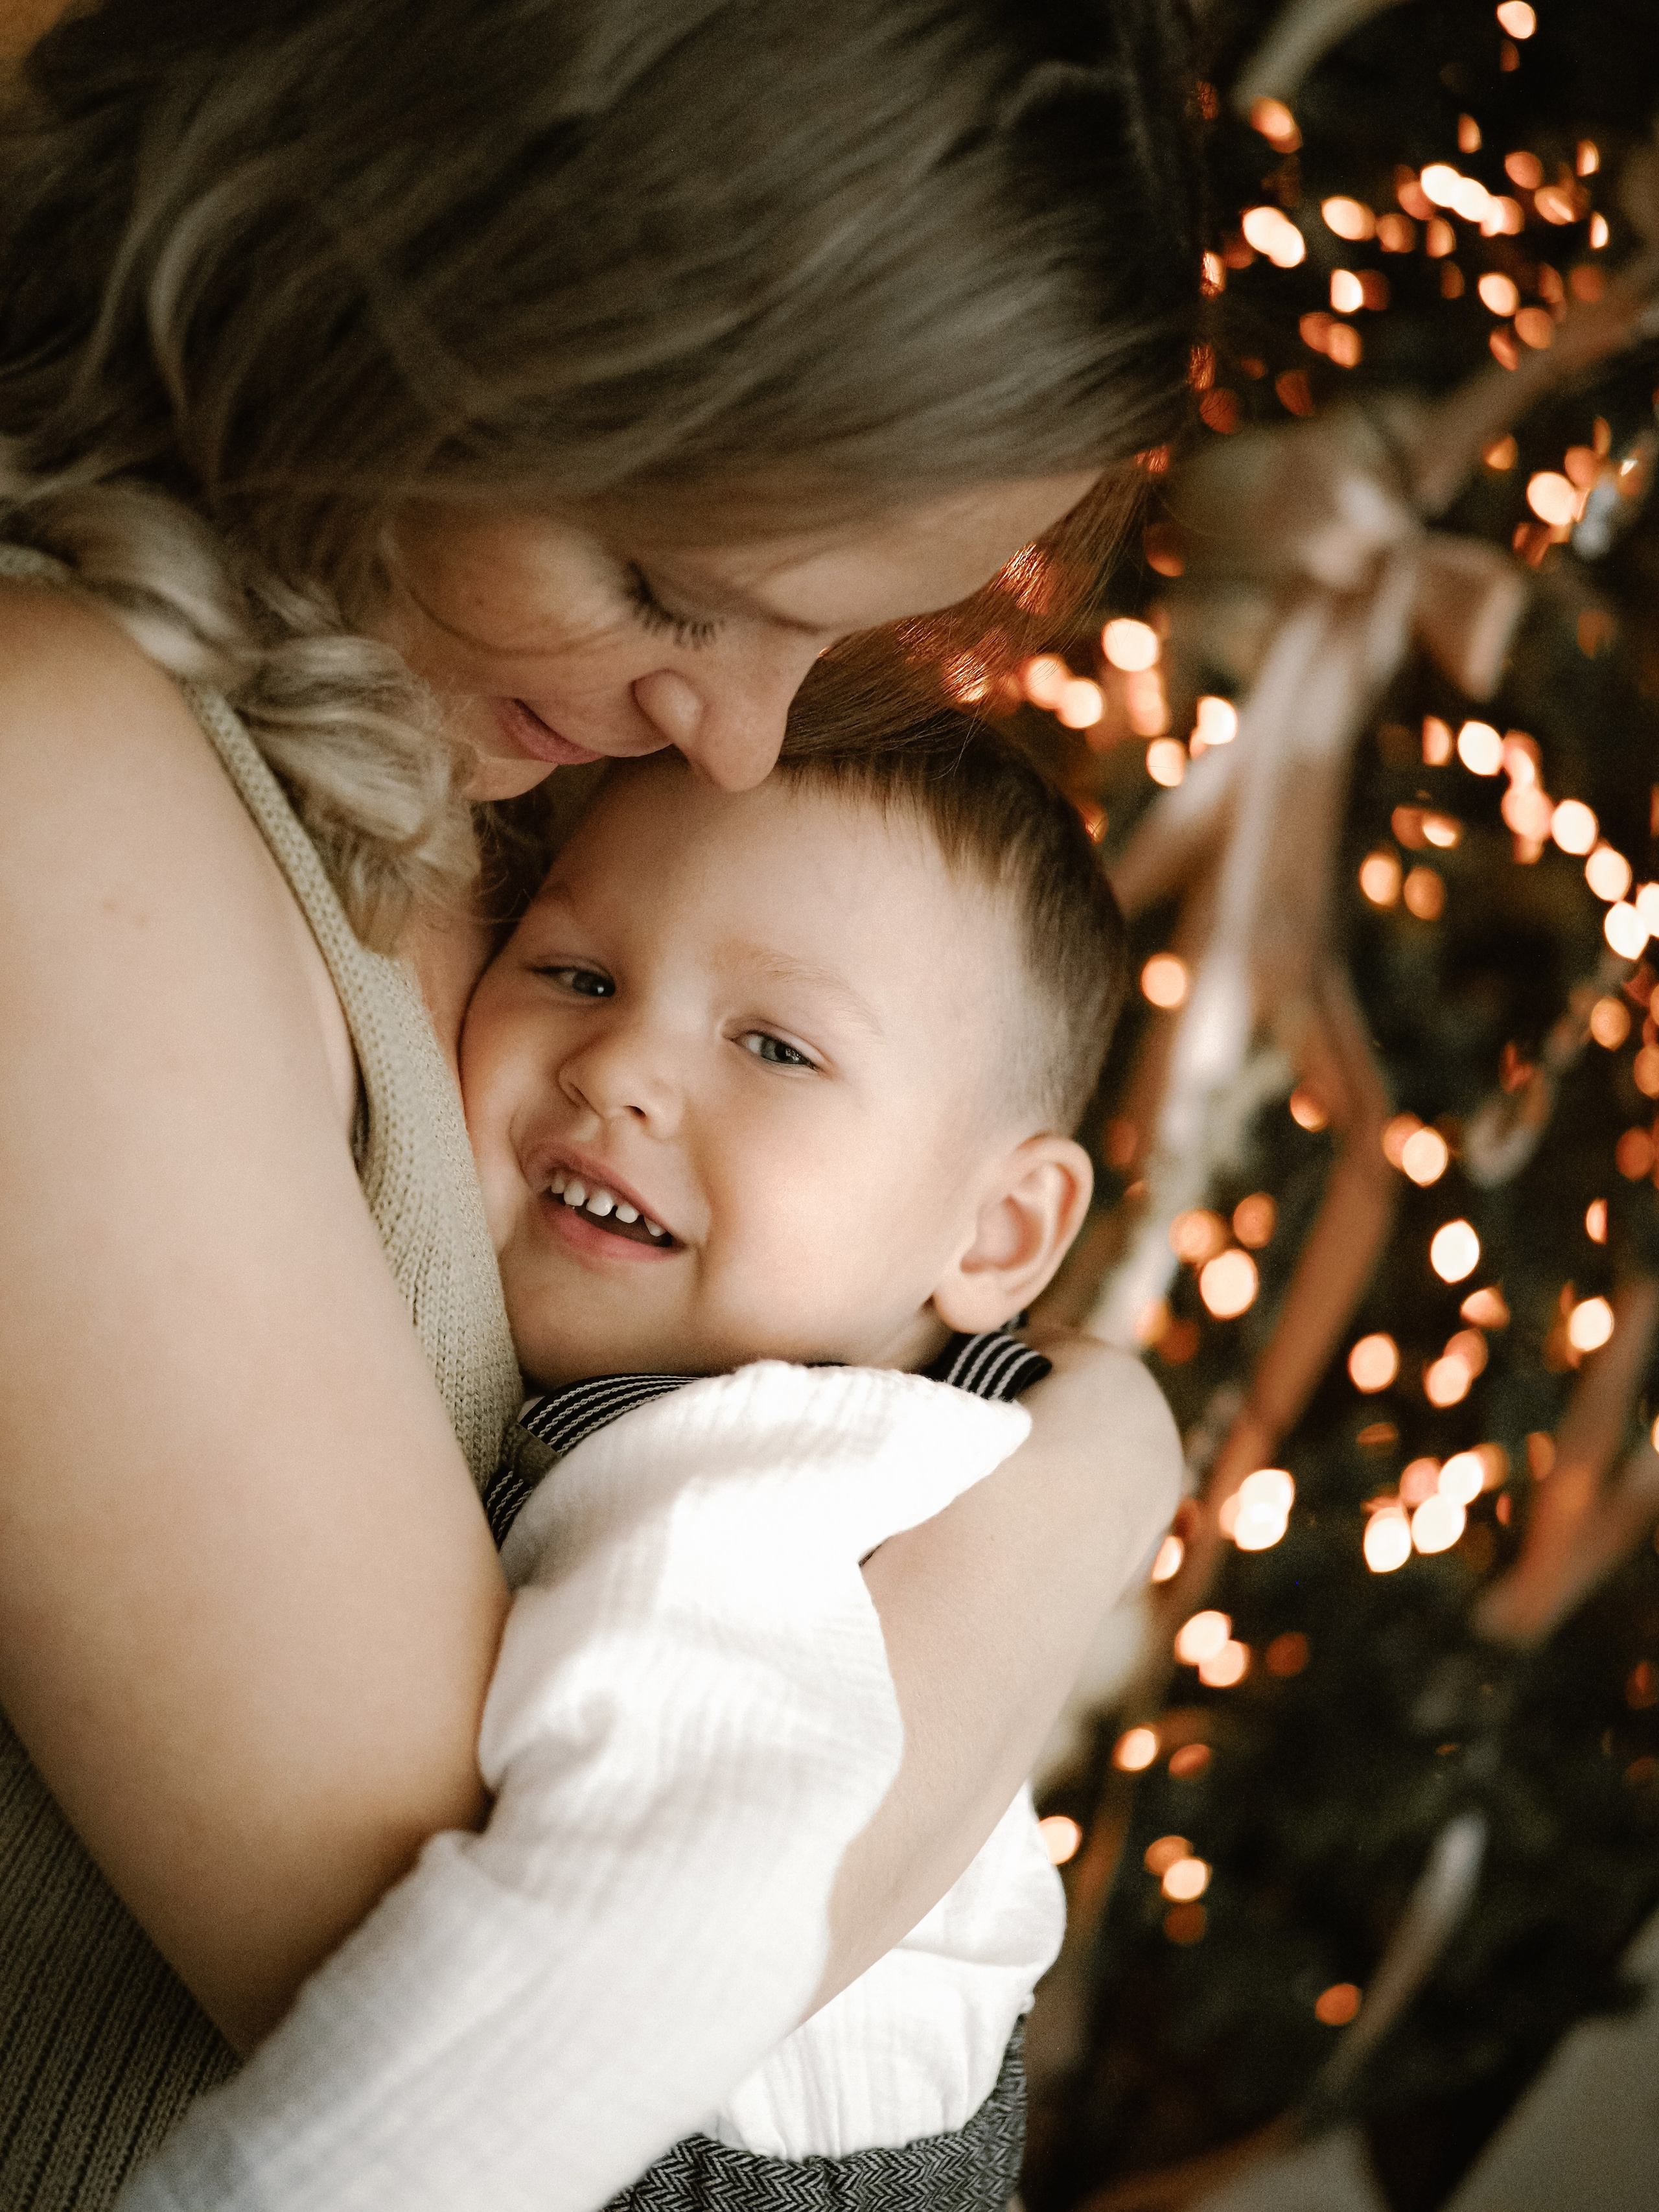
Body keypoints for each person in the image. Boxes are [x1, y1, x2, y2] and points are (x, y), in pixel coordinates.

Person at [0, 2, 1198, 2205]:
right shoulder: (48, 778)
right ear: (361, 259)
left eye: (825, 642)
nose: (733, 742)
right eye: (666, 585)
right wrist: (1078, 1483)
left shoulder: (529, 777)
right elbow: (501, 2043)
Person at [119, 725, 1180, 2212]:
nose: (620, 1066)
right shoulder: (863, 1422)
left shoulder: (742, 1483)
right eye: (578, 975)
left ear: (996, 1234)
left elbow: (634, 1947)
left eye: (775, 1047)